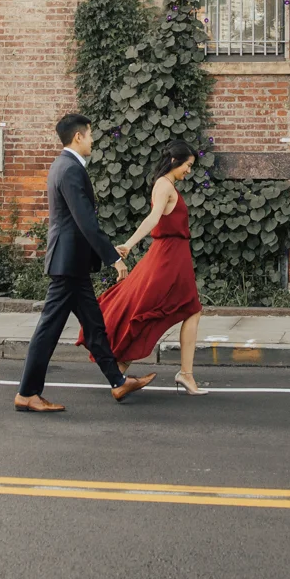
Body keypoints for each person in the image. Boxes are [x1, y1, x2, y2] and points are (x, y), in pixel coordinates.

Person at [14, 113, 157, 413]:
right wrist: (114, 258)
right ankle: (28, 393)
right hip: (67, 264)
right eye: (90, 134)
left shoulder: (64, 166)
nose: (93, 140)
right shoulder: (69, 169)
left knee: (94, 326)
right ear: (78, 137)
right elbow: (85, 223)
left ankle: (117, 381)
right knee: (48, 330)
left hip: (73, 263)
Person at [84, 138, 207, 394]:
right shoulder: (164, 185)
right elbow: (153, 217)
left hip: (174, 256)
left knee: (182, 309)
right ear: (175, 161)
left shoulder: (168, 184)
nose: (189, 171)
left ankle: (124, 371)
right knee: (156, 308)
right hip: (168, 257)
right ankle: (175, 374)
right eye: (188, 165)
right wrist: (128, 244)